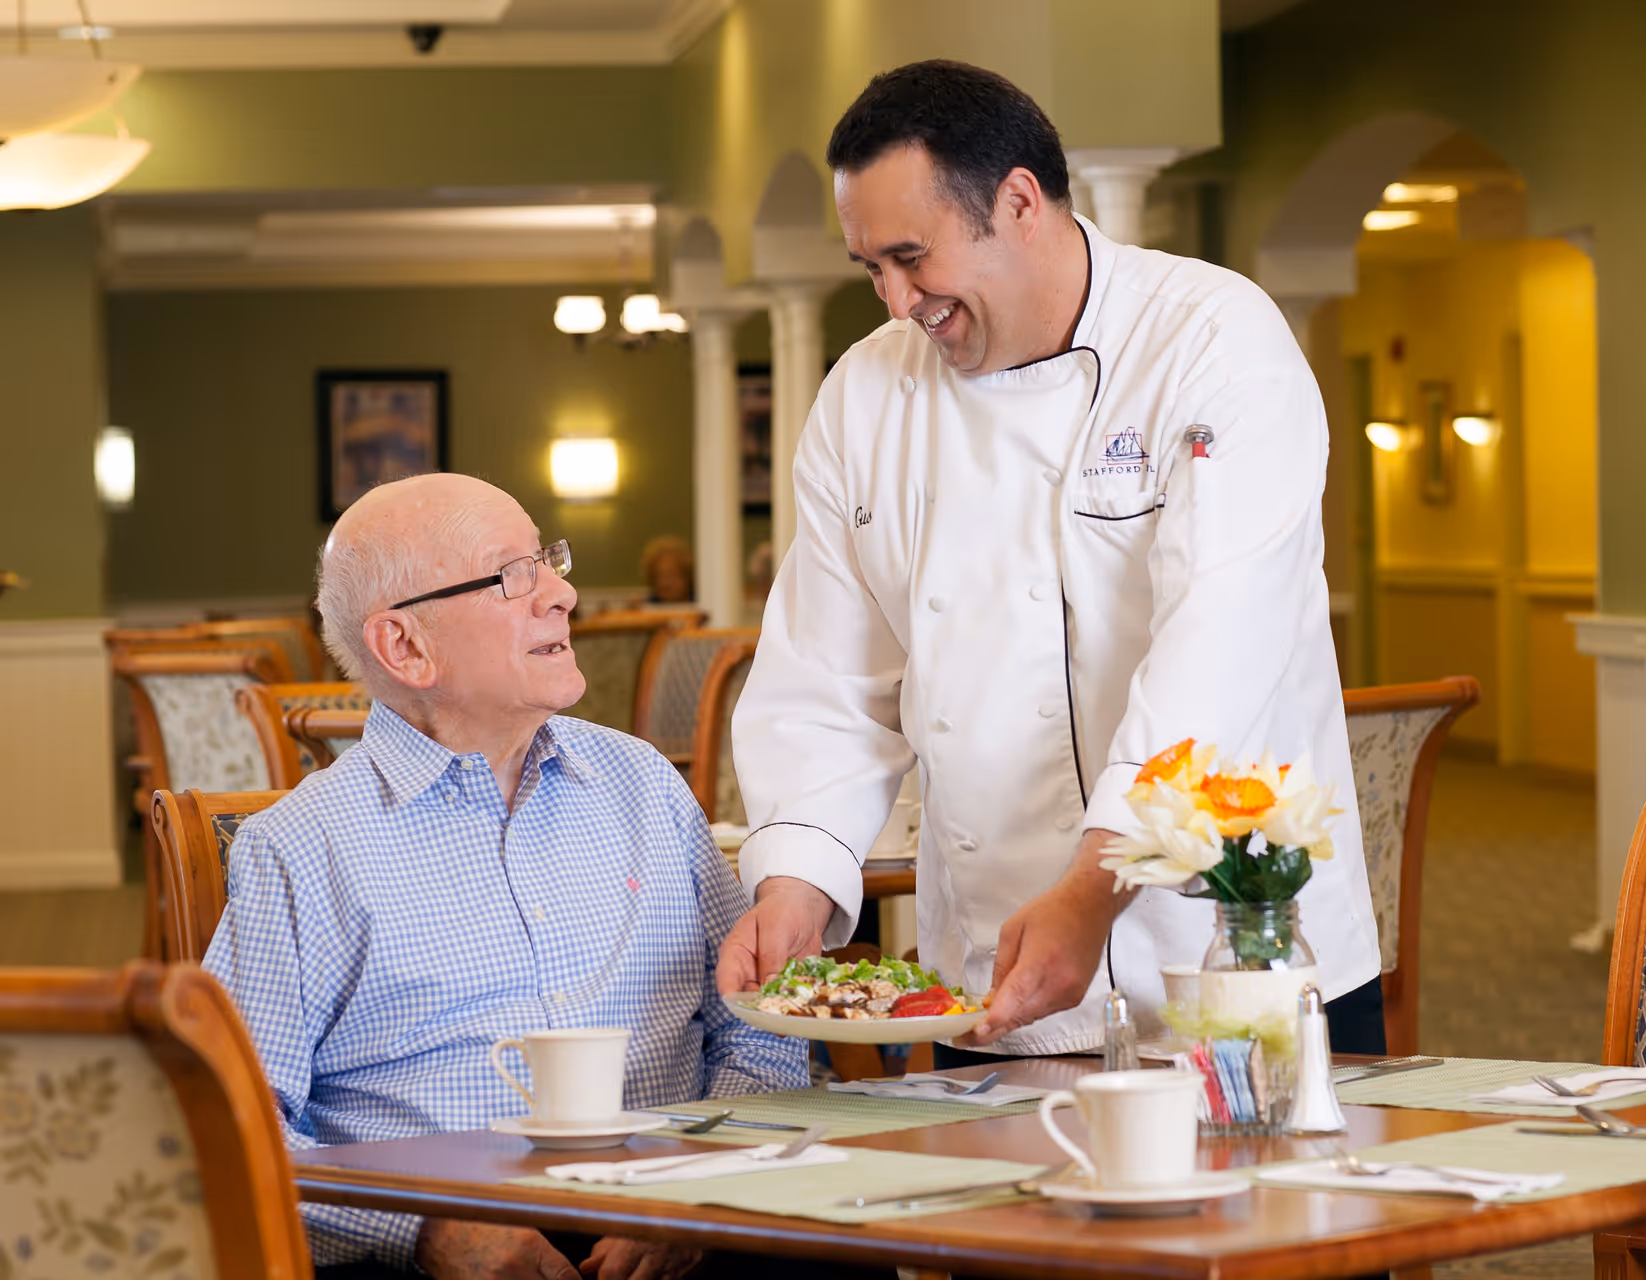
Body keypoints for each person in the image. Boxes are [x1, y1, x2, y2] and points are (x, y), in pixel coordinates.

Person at [720, 60, 1382, 1065]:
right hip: (991, 980)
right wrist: (798, 881)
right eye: (870, 268)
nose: (897, 302)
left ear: (1019, 202)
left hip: (1231, 955)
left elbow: (1219, 652)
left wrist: (1095, 886)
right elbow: (828, 680)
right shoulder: (863, 396)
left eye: (911, 256)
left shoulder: (1213, 343)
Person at [204, 473, 808, 1279]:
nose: (563, 593)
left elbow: (757, 1026)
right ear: (403, 646)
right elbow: (227, 1125)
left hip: (687, 1220)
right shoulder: (300, 852)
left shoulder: (644, 784)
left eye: (548, 562)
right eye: (512, 575)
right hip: (432, 1251)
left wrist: (703, 1194)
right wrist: (421, 1231)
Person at [640, 534, 696, 603]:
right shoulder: (650, 606)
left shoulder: (702, 604)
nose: (665, 583)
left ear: (687, 576)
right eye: (658, 576)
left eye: (671, 574)